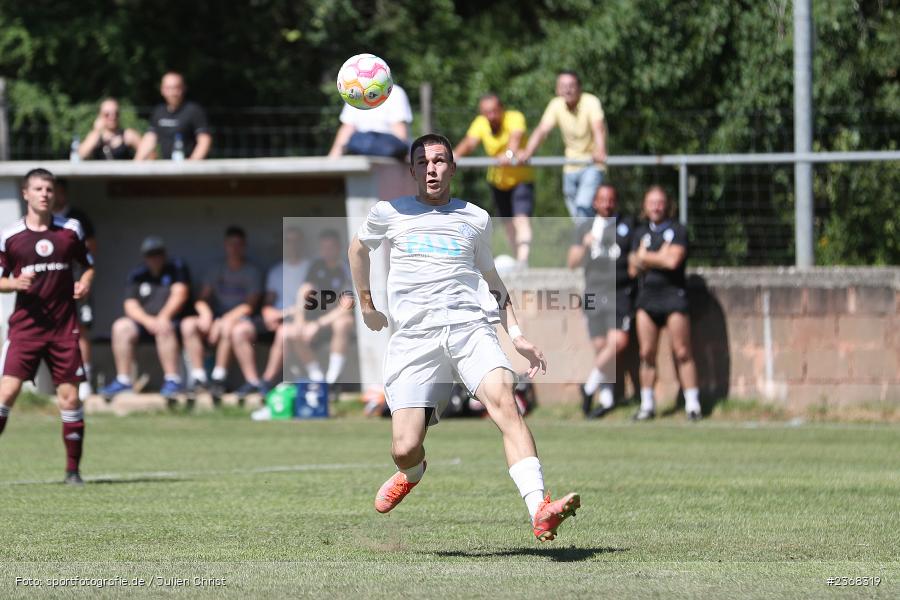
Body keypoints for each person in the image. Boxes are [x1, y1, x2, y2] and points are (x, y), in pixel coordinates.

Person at [348, 133, 580, 542]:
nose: (431, 168)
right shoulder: (390, 212)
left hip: (470, 329)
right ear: (412, 170)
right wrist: (367, 305)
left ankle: (539, 509)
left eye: (439, 161)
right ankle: (413, 471)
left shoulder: (475, 217)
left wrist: (516, 333)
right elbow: (357, 249)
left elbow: (492, 281)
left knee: (504, 401)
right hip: (414, 339)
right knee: (404, 446)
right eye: (422, 162)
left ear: (453, 168)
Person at [0, 168, 94, 485]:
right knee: (6, 394)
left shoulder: (70, 230)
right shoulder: (11, 237)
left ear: (55, 195)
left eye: (49, 189)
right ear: (25, 193)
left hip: (63, 329)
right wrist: (13, 283)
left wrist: (84, 284)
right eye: (38, 189)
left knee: (70, 399)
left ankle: (72, 472)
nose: (44, 194)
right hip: (25, 329)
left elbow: (89, 266)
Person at [629, 186, 701, 421]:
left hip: (673, 297)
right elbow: (632, 268)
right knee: (646, 353)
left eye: (660, 202)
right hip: (647, 299)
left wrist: (645, 257)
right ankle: (647, 405)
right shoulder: (639, 232)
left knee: (682, 351)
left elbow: (673, 261)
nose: (656, 207)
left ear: (667, 205)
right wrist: (659, 256)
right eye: (652, 202)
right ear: (645, 206)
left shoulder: (678, 230)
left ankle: (692, 404)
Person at [567, 185, 635, 418]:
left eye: (611, 199)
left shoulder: (626, 226)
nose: (606, 204)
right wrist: (585, 244)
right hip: (593, 292)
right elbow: (572, 262)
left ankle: (588, 388)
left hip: (619, 292)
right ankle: (605, 400)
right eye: (602, 200)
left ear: (616, 202)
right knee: (600, 348)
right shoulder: (585, 227)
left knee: (617, 342)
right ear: (595, 202)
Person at [99, 237, 190, 400]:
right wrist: (148, 321)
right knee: (121, 326)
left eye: (158, 254)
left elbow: (180, 294)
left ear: (164, 254)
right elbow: (130, 305)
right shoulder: (138, 274)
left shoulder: (176, 269)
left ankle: (172, 380)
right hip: (144, 324)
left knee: (164, 327)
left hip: (170, 322)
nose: (155, 258)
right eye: (151, 255)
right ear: (145, 257)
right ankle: (123, 380)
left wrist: (163, 317)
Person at [454, 93, 535, 266]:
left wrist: (509, 154)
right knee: (508, 224)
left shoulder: (514, 118)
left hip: (521, 179)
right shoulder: (481, 123)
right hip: (498, 181)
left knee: (521, 218)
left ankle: (523, 260)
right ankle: (518, 260)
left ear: (501, 109)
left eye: (494, 111)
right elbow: (469, 142)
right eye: (486, 112)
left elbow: (516, 137)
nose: (490, 116)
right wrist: (453, 156)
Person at [181, 226, 262, 396]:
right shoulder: (215, 269)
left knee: (227, 326)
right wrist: (206, 314)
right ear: (225, 245)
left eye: (238, 245)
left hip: (240, 318)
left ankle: (219, 377)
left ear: (244, 246)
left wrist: (224, 319)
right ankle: (198, 377)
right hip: (215, 317)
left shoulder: (252, 271)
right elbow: (202, 299)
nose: (234, 249)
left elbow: (250, 306)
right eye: (231, 244)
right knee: (188, 324)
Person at [231, 226, 311, 395]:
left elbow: (310, 302)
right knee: (240, 331)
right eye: (288, 241)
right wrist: (268, 313)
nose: (292, 245)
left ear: (302, 243)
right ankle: (252, 381)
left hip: (300, 320)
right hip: (275, 318)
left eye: (295, 241)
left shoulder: (310, 268)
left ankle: (266, 382)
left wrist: (282, 315)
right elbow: (269, 301)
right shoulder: (276, 271)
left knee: (283, 332)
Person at [518, 71, 607, 221]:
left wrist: (600, 150)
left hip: (593, 163)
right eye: (563, 86)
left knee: (583, 206)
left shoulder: (591, 101)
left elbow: (598, 128)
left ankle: (586, 242)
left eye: (572, 86)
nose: (568, 90)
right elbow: (542, 130)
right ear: (557, 89)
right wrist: (528, 151)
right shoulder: (556, 104)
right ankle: (591, 240)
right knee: (577, 215)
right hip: (570, 166)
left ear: (579, 88)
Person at [52, 178, 97, 401]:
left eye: (56, 192)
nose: (52, 196)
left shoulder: (77, 219)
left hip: (77, 279)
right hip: (52, 282)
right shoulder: (44, 221)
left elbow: (90, 251)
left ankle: (84, 377)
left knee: (80, 328)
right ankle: (61, 379)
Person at [292, 229, 354, 384]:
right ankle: (317, 378)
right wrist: (300, 321)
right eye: (324, 248)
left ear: (339, 248)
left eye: (331, 247)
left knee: (342, 323)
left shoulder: (346, 268)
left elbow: (347, 306)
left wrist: (317, 324)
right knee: (293, 331)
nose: (327, 251)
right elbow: (304, 291)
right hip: (316, 320)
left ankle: (332, 379)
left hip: (334, 322)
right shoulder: (316, 266)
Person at [135, 71, 212, 160]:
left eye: (176, 88)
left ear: (183, 88)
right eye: (168, 88)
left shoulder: (194, 111)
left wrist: (193, 163)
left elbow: (204, 140)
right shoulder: (158, 112)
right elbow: (150, 139)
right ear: (162, 90)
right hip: (167, 168)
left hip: (189, 169)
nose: (173, 92)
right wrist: (136, 162)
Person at [328, 84, 412, 159]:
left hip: (385, 156)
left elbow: (400, 136)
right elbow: (347, 129)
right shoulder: (355, 93)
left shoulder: (395, 92)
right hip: (364, 154)